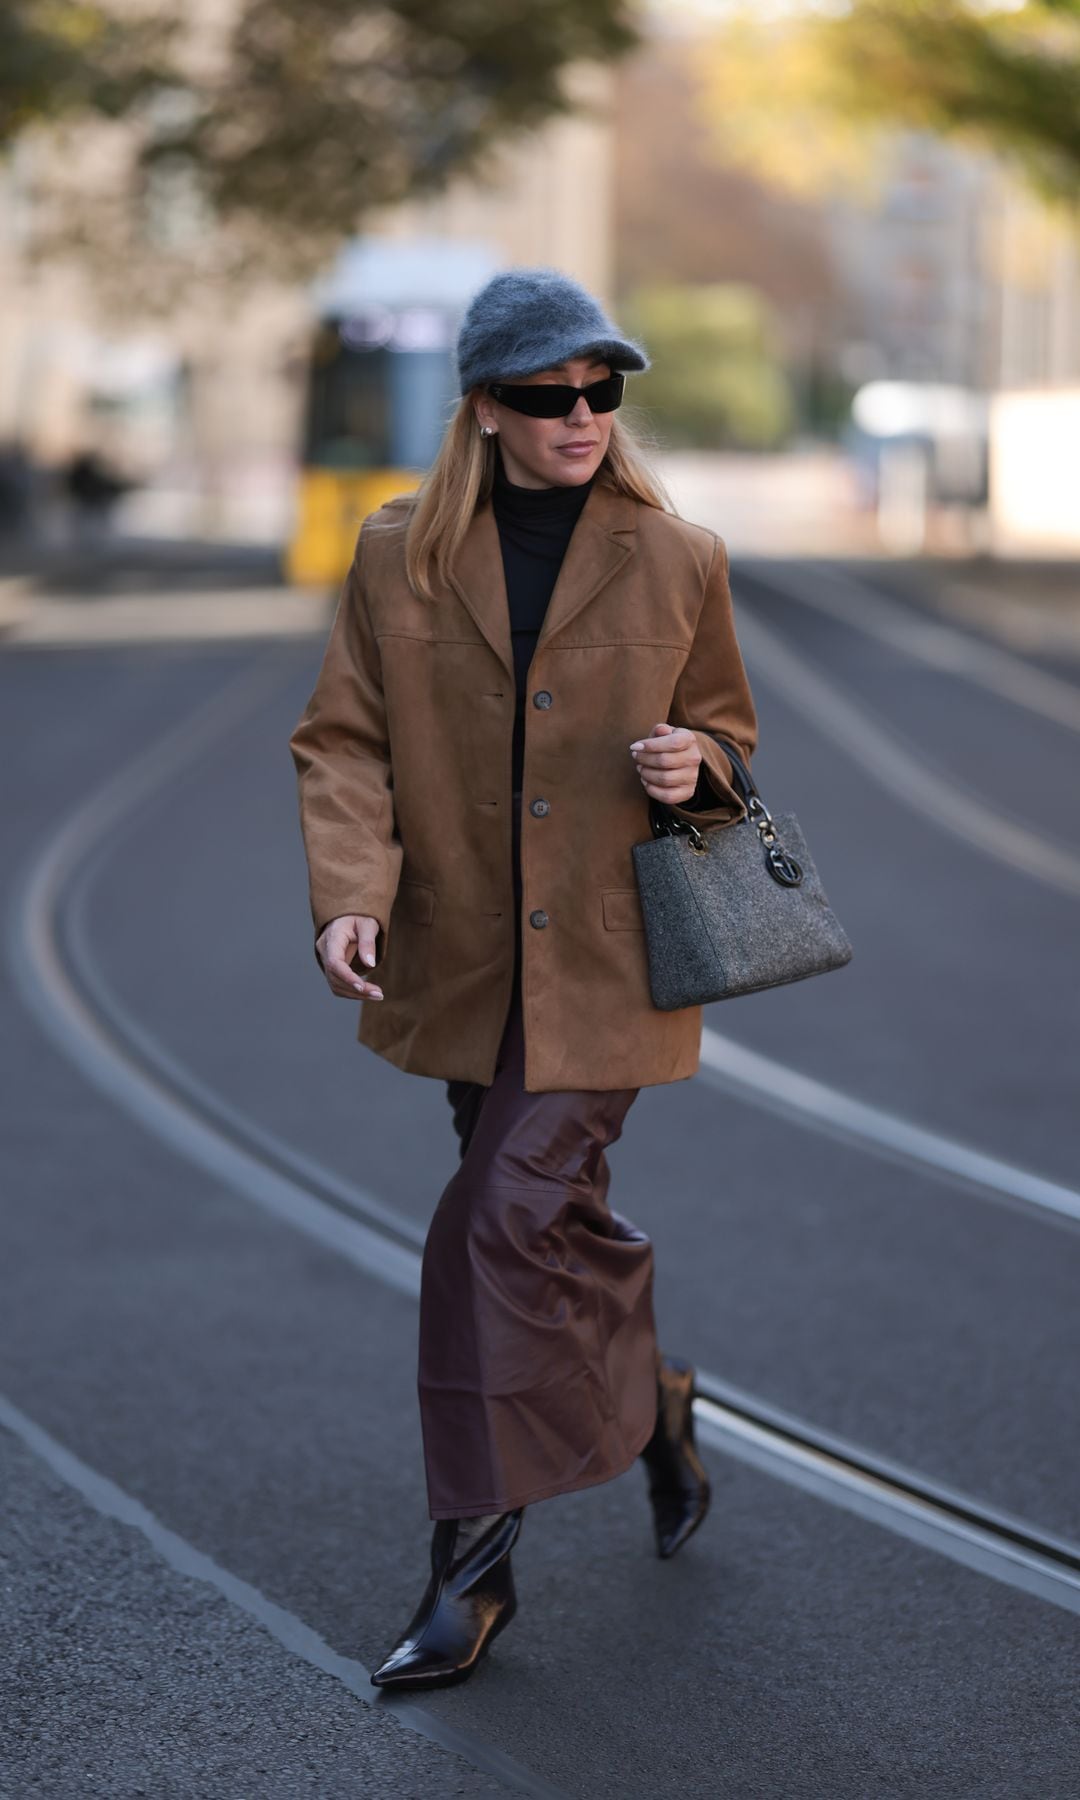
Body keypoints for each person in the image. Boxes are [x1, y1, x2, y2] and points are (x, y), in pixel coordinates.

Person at [288, 265, 759, 1692]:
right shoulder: (398, 554)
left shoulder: (679, 559)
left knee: (493, 1227)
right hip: (464, 963)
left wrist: (701, 769)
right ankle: (659, 1403)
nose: (583, 417)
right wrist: (348, 898)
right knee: (555, 1230)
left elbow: (732, 744)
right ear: (485, 409)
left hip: (615, 963)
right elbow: (343, 742)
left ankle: (472, 1573)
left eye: (603, 391)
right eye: (550, 396)